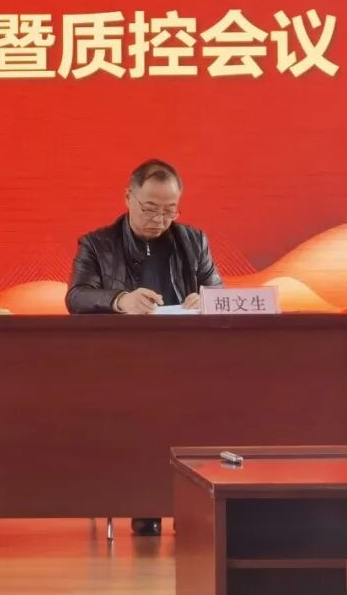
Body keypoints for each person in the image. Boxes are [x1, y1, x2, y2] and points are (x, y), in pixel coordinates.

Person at [65, 158, 222, 536]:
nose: (159, 219)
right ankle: (146, 503)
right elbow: (77, 296)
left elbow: (219, 292)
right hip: (123, 360)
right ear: (128, 198)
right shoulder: (97, 244)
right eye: (150, 208)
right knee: (140, 413)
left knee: (202, 409)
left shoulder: (193, 241)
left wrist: (206, 301)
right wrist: (120, 300)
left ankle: (193, 505)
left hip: (185, 357)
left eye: (169, 210)